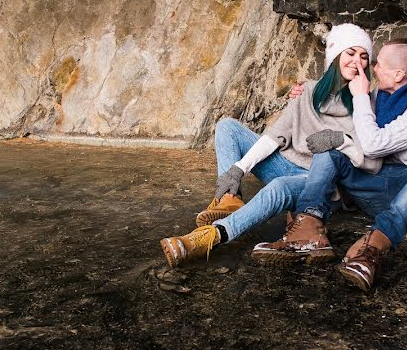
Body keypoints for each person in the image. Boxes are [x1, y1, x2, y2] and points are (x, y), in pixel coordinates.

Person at [160, 24, 382, 268]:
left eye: (364, 57)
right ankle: (229, 199)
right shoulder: (308, 91)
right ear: (335, 56)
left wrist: (342, 140)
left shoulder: (367, 102)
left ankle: (211, 236)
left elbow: (370, 160)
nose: (357, 62)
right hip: (286, 163)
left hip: (321, 182)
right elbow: (275, 136)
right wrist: (238, 169)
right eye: (350, 54)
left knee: (279, 187)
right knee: (227, 127)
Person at [256, 39, 407, 291]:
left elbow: (373, 145)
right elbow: (340, 105)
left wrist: (360, 96)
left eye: (377, 64)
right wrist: (305, 90)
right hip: (379, 185)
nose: (371, 67)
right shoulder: (379, 97)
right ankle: (307, 230)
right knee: (330, 149)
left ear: (398, 74)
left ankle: (372, 249)